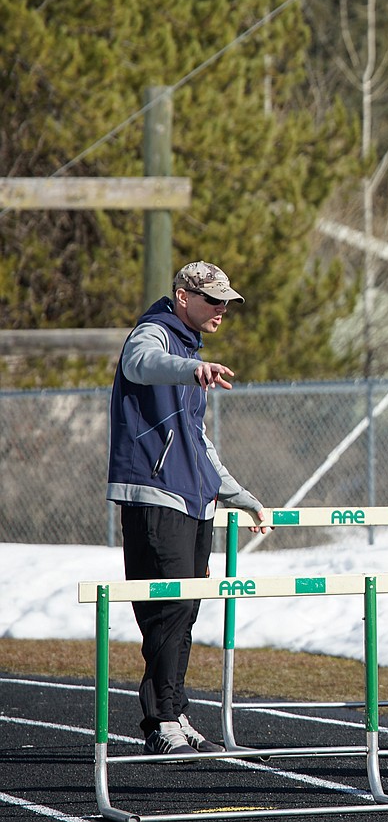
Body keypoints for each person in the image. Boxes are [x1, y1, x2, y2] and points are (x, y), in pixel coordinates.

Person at [107, 260, 269, 757]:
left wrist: (238, 493)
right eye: (212, 300)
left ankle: (174, 712)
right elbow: (139, 363)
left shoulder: (189, 346)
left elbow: (195, 441)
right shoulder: (154, 333)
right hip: (157, 497)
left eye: (227, 302)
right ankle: (160, 721)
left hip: (196, 500)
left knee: (186, 613)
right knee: (167, 612)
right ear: (182, 296)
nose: (222, 310)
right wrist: (190, 368)